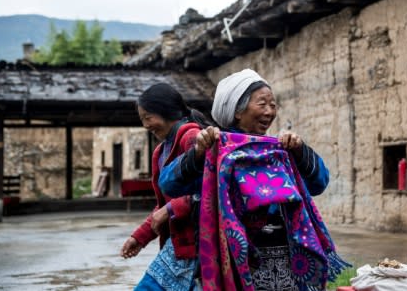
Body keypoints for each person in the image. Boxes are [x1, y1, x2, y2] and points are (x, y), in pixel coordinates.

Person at [159, 69, 350, 291]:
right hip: (234, 261)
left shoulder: (281, 149)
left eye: (273, 104)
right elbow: (169, 184)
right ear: (237, 112)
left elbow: (319, 183)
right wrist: (198, 153)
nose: (270, 111)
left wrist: (300, 151)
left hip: (286, 264)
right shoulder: (215, 150)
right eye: (262, 104)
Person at [120, 82, 209, 291]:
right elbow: (162, 205)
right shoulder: (160, 152)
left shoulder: (193, 139)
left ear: (164, 110)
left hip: (200, 245)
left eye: (147, 117)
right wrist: (140, 237)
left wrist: (170, 210)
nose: (145, 125)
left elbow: (211, 191)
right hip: (178, 247)